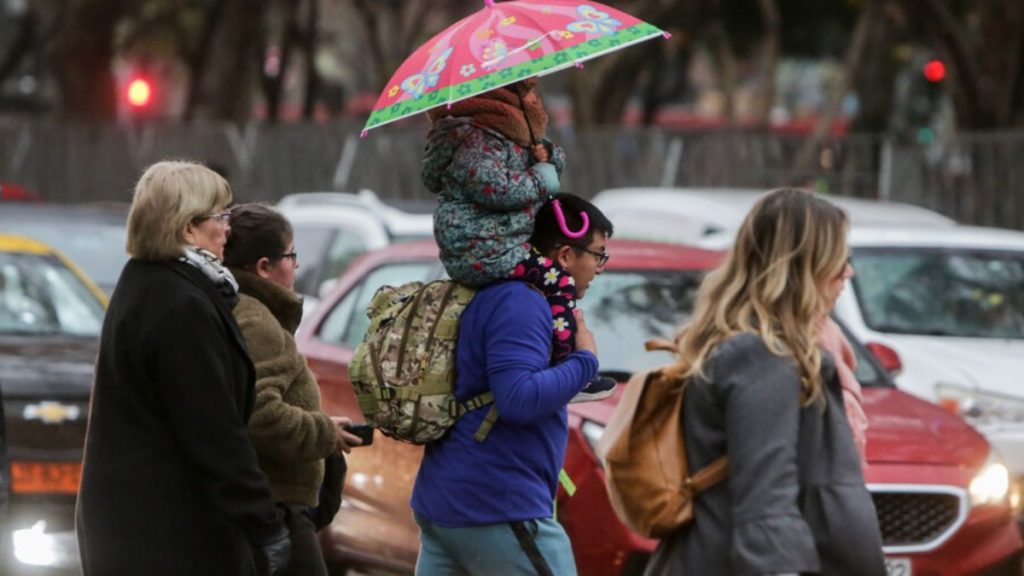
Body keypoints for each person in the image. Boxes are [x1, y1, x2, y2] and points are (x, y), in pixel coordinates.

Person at [644, 188, 885, 576]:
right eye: (841, 257)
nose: (848, 272)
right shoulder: (761, 354)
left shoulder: (756, 347)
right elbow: (765, 498)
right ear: (806, 265)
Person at [76, 161, 291, 576]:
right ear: (186, 228)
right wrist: (264, 524)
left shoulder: (147, 281)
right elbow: (213, 428)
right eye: (221, 216)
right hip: (168, 533)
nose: (229, 227)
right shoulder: (179, 303)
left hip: (133, 526)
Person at [411, 193, 613, 576]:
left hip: (452, 501)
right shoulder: (521, 302)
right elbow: (517, 398)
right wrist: (585, 361)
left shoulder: (506, 294)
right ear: (566, 256)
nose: (601, 268)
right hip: (495, 506)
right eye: (598, 254)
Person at [422, 78, 614, 403]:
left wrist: (547, 154)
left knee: (553, 282)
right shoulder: (474, 141)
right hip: (485, 247)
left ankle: (563, 362)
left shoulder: (500, 139)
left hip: (496, 243)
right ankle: (567, 364)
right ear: (498, 104)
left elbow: (540, 163)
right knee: (558, 281)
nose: (534, 103)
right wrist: (542, 178)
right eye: (598, 256)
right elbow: (498, 188)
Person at [223, 203, 364, 576]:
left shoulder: (242, 310)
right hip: (277, 508)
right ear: (264, 267)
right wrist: (324, 433)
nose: (297, 266)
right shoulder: (257, 321)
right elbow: (259, 412)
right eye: (291, 255)